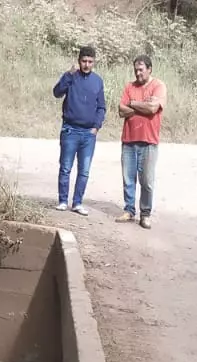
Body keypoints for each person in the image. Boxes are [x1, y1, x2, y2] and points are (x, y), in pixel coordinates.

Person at [53, 45, 105, 216]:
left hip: (88, 133)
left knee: (84, 171)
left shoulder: (97, 81)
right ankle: (62, 201)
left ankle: (77, 203)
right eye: (84, 61)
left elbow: (101, 107)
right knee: (66, 167)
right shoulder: (71, 77)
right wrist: (67, 75)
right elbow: (57, 92)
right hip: (70, 129)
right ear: (79, 61)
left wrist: (96, 127)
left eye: (90, 61)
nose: (87, 65)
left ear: (94, 62)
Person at [117, 54, 166, 228]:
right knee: (128, 178)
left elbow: (153, 108)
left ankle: (145, 214)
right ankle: (129, 210)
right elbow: (121, 111)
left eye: (141, 70)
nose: (138, 73)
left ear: (149, 69)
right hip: (129, 139)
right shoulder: (129, 86)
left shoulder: (158, 86)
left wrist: (133, 104)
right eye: (135, 70)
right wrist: (140, 105)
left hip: (149, 141)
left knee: (147, 181)